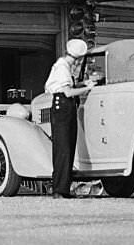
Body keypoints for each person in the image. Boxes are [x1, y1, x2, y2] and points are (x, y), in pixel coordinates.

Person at [44, 37, 95, 198]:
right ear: (78, 58)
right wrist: (87, 88)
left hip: (63, 106)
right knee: (63, 149)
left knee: (66, 147)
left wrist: (83, 83)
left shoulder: (62, 66)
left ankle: (62, 188)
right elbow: (67, 92)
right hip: (63, 105)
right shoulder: (63, 68)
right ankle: (60, 189)